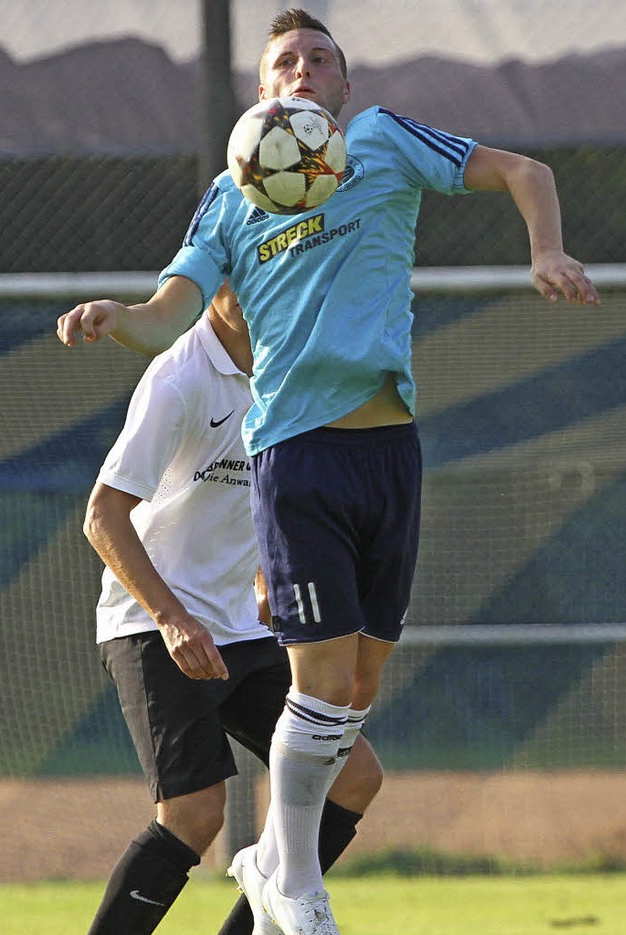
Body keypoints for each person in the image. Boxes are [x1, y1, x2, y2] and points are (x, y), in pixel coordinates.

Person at [58, 9, 601, 934]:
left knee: (353, 700)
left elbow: (527, 171)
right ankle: (292, 880)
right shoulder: (231, 200)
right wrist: (120, 314)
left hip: (390, 449)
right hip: (295, 455)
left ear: (344, 90)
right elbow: (165, 313)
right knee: (284, 719)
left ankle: (273, 862)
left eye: (320, 59)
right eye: (284, 62)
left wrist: (545, 246)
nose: (303, 70)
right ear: (264, 94)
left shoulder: (386, 143)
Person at [81, 280, 382, 935]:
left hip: (245, 627)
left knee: (352, 775)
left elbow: (280, 493)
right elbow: (102, 515)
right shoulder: (181, 377)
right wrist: (171, 617)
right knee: (194, 815)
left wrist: (274, 570)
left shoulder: (291, 372)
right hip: (151, 625)